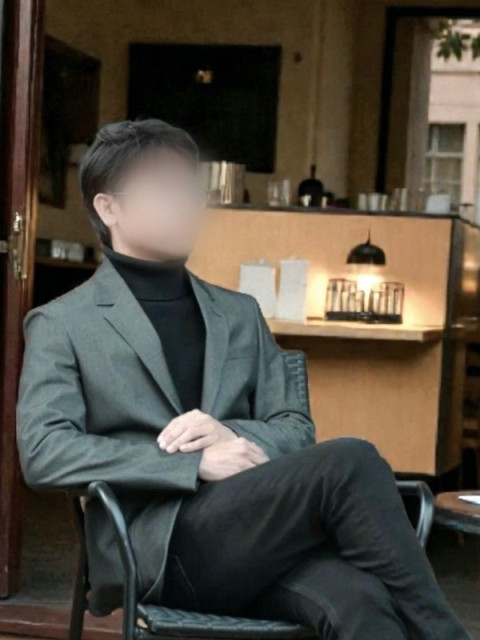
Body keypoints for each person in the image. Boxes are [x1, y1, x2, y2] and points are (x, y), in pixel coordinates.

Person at [17, 119, 470, 640]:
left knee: (360, 600)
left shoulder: (238, 313)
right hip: (159, 549)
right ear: (108, 208)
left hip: (257, 539)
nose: (186, 206)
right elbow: (44, 451)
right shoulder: (63, 323)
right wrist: (192, 462)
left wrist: (231, 435)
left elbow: (294, 426)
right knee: (353, 461)